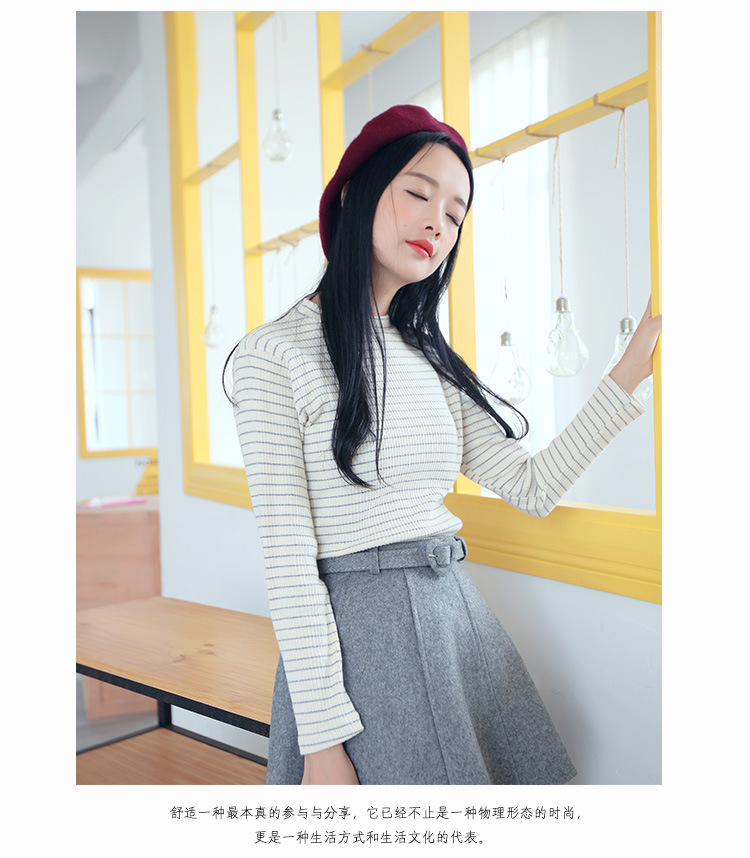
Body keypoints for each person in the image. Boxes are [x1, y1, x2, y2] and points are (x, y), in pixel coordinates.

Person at [228, 105, 662, 785]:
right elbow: (287, 563)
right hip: (359, 647)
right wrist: (322, 744)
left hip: (454, 618)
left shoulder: (425, 359)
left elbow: (532, 487)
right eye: (419, 193)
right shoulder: (273, 355)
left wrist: (627, 375)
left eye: (456, 214)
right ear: (356, 194)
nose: (438, 223)